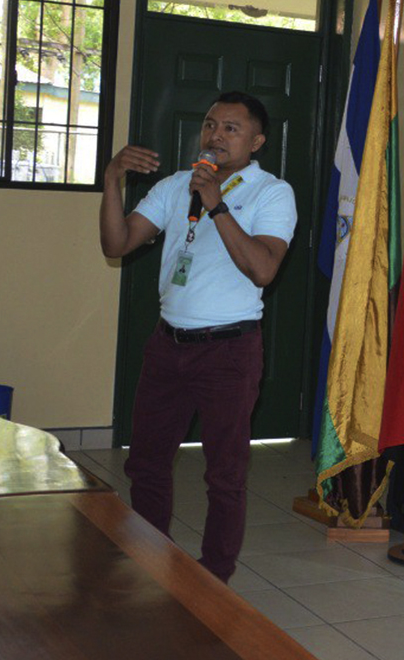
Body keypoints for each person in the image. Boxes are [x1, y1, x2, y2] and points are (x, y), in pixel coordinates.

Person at [99, 91, 296, 583]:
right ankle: (150, 561)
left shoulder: (272, 193)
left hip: (229, 351)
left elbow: (263, 270)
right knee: (145, 464)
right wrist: (112, 179)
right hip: (168, 346)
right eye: (210, 124)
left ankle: (214, 580)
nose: (215, 135)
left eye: (231, 128)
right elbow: (116, 243)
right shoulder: (173, 187)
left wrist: (217, 205)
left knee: (224, 475)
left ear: (257, 141)